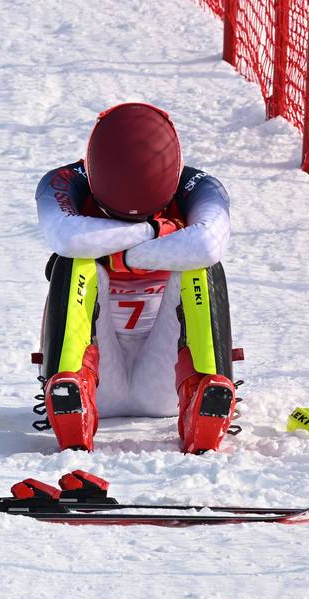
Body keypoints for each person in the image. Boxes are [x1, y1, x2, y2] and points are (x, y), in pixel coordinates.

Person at [33, 102, 238, 454]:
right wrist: (157, 231)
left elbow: (207, 244)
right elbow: (68, 237)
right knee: (75, 262)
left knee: (201, 267)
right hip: (98, 374)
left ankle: (203, 394)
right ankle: (71, 395)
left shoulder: (200, 186)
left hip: (165, 375)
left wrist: (116, 249)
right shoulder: (63, 181)